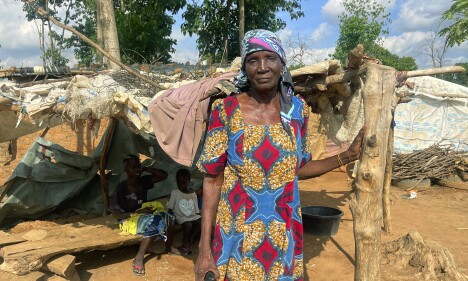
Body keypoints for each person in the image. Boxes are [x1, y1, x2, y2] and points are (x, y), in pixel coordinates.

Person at [194, 29, 365, 280]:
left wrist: (347, 156)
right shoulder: (225, 110)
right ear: (245, 68)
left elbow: (298, 169)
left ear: (282, 63)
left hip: (283, 234)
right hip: (237, 236)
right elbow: (212, 180)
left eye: (270, 58)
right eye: (253, 60)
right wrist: (204, 248)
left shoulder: (297, 112)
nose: (262, 67)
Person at [108, 154, 183, 276]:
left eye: (138, 166)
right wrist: (136, 213)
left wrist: (144, 169)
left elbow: (163, 175)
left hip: (143, 215)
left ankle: (168, 247)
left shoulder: (142, 182)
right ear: (125, 169)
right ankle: (139, 257)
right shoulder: (121, 189)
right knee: (156, 221)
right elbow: (116, 215)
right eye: (133, 167)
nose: (137, 169)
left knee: (169, 218)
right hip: (128, 220)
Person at [167, 168, 202, 256]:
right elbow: (170, 206)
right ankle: (185, 240)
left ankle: (192, 238)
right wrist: (171, 217)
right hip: (180, 216)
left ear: (189, 181)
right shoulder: (175, 192)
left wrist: (197, 214)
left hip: (192, 215)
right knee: (188, 224)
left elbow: (195, 206)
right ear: (177, 182)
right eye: (179, 183)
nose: (181, 185)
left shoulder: (192, 192)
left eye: (184, 182)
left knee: (201, 222)